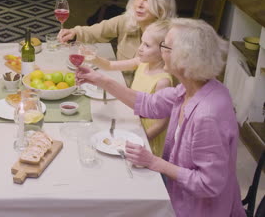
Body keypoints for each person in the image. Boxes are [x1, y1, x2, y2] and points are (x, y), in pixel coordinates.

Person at [77, 18, 245, 216]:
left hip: (197, 210)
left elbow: (207, 185)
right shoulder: (191, 87)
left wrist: (154, 162)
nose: (161, 51)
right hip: (177, 192)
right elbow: (150, 104)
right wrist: (100, 80)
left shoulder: (207, 115)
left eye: (165, 45)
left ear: (183, 58)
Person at [90, 20, 173, 156]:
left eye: (147, 45)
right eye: (141, 42)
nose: (140, 48)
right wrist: (93, 57)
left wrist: (141, 140)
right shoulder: (142, 62)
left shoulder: (162, 81)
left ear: (163, 51)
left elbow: (161, 124)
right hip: (132, 124)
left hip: (146, 138)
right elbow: (110, 65)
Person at [59, 0, 176, 61]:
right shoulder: (126, 20)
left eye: (147, 0)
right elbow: (97, 31)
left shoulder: (170, 40)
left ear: (162, 6)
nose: (139, 4)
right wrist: (74, 33)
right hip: (120, 85)